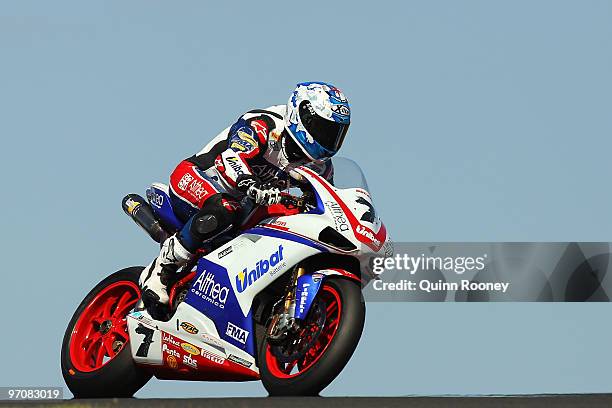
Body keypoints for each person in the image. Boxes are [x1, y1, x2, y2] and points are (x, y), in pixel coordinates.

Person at [139, 81, 351, 307]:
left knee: (285, 222)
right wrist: (249, 183)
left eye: (335, 134)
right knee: (226, 207)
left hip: (246, 204)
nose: (328, 140)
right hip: (199, 178)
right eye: (324, 129)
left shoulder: (320, 166)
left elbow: (328, 201)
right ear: (303, 115)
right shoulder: (264, 124)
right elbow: (231, 158)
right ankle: (162, 268)